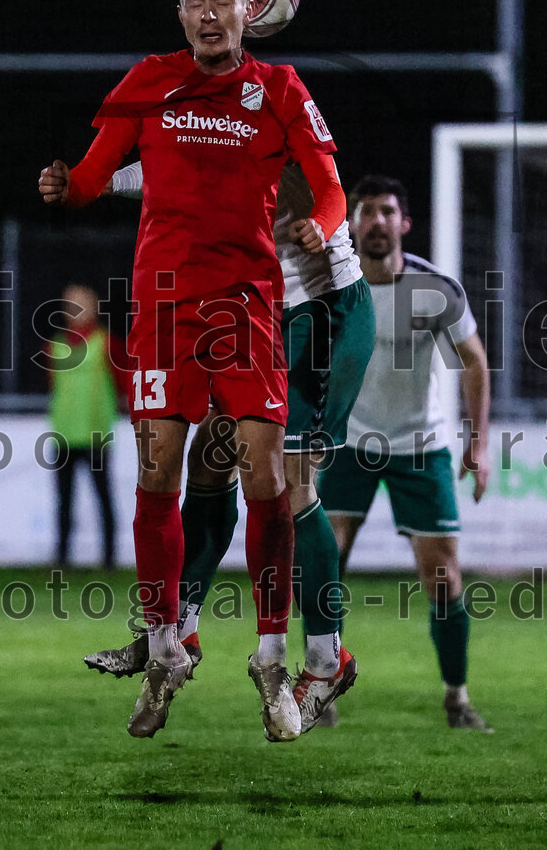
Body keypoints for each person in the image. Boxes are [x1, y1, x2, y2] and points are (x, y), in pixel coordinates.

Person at [38, 0, 347, 741]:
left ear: (252, 10)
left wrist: (322, 223)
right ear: (181, 13)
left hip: (245, 306)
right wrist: (66, 185)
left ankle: (271, 658)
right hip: (163, 306)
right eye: (196, 2)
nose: (210, 14)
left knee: (264, 475)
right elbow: (95, 173)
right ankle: (165, 642)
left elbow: (330, 185)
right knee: (157, 472)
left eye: (223, 0)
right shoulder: (149, 80)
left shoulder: (278, 88)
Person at [84, 158, 375, 733]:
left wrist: (320, 219)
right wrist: (98, 179)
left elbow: (328, 184)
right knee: (210, 461)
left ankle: (324, 659)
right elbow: (172, 168)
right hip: (258, 315)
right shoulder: (210, 128)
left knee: (291, 483)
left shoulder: (272, 108)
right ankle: (180, 628)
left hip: (319, 311)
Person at [318, 175, 494, 732]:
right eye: (364, 211)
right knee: (322, 565)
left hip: (422, 446)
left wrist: (479, 443)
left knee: (442, 575)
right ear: (349, 224)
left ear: (404, 223)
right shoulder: (330, 286)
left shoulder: (434, 289)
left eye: (386, 211)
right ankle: (319, 690)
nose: (375, 221)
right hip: (349, 444)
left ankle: (457, 697)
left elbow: (474, 362)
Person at [45, 282, 121, 570]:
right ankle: (62, 556)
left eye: (81, 302)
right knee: (64, 500)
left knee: (103, 496)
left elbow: (122, 383)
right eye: (70, 303)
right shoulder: (54, 344)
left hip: (96, 434)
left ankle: (109, 558)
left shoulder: (106, 342)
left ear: (94, 307)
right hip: (64, 433)